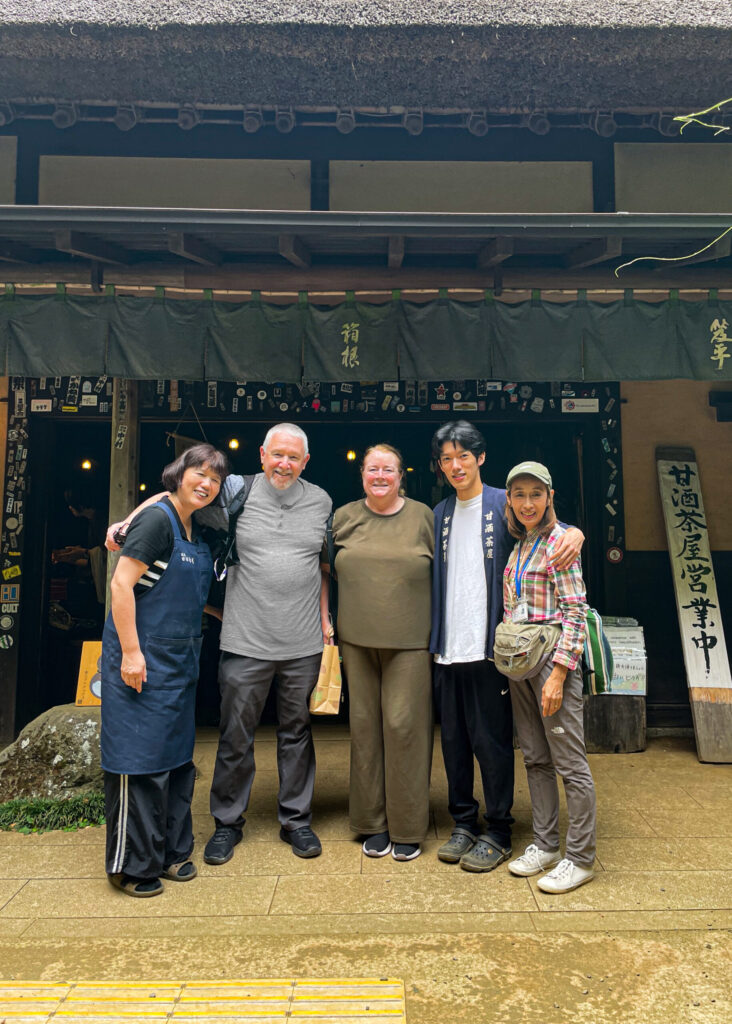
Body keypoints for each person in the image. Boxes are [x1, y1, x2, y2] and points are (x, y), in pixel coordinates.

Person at [109, 424, 332, 863]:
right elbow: (178, 495)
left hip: (302, 641)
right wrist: (129, 523)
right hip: (245, 639)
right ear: (264, 454)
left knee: (297, 734)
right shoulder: (235, 490)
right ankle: (227, 823)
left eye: (294, 457)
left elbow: (323, 564)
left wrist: (326, 620)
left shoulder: (321, 500)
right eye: (277, 455)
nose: (284, 464)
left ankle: (297, 822)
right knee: (235, 735)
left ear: (305, 462)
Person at [430, 422, 584, 873]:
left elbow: (549, 526)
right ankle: (464, 822)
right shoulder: (438, 512)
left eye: (463, 455)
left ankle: (498, 828)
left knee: (492, 742)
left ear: (480, 457)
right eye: (446, 458)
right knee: (454, 742)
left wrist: (576, 532)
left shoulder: (505, 502)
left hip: (494, 649)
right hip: (446, 647)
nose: (455, 465)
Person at [101, 443, 228, 897]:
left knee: (175, 764)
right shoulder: (158, 520)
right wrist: (132, 653)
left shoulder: (196, 531)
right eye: (199, 473)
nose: (206, 484)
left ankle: (173, 853)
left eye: (214, 479)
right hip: (141, 665)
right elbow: (121, 585)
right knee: (138, 765)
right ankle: (134, 867)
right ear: (178, 473)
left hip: (178, 670)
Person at [332, 444, 434, 861]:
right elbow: (324, 570)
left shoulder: (425, 516)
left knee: (403, 727)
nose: (379, 476)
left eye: (387, 469)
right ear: (362, 475)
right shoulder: (343, 517)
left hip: (410, 640)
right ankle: (371, 822)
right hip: (355, 638)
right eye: (371, 468)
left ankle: (408, 825)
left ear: (400, 475)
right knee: (364, 728)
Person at [500, 461, 596, 893]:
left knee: (570, 764)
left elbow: (575, 613)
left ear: (550, 496)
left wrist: (558, 674)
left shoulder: (560, 542)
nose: (527, 503)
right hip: (521, 667)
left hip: (551, 666)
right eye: (518, 494)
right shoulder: (521, 543)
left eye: (535, 494)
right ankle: (545, 844)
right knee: (535, 758)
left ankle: (581, 857)